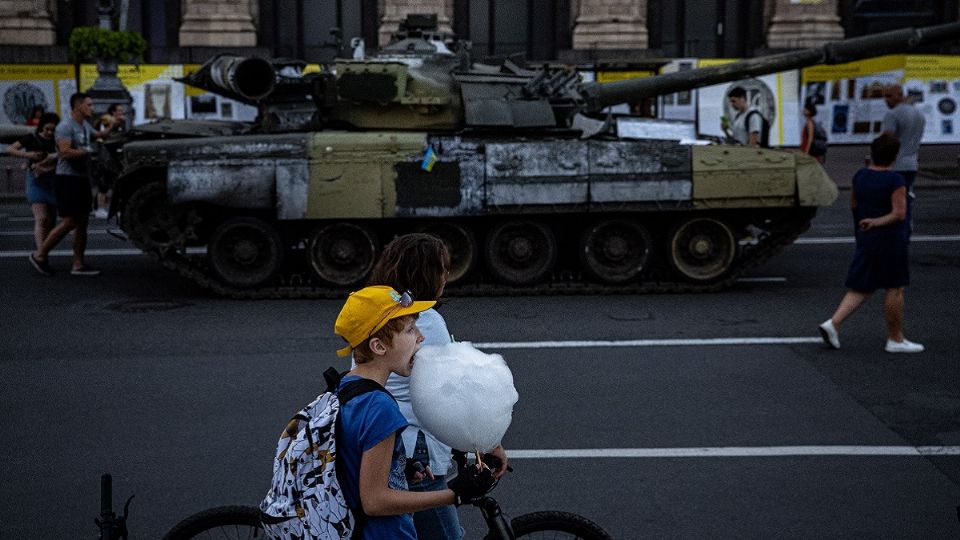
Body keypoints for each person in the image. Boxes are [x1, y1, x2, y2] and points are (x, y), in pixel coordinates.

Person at [366, 233, 508, 540]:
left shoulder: (380, 312)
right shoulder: (423, 320)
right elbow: (453, 388)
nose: (446, 276)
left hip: (388, 437)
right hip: (415, 447)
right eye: (442, 268)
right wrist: (489, 443)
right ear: (427, 274)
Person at [333, 285, 497, 539]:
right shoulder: (380, 407)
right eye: (410, 330)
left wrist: (399, 466)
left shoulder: (346, 386)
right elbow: (375, 501)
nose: (420, 337)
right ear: (378, 346)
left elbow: (353, 458)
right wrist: (456, 492)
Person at [818, 133, 923, 354]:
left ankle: (833, 323)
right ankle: (895, 338)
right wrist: (875, 222)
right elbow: (899, 214)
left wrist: (862, 228)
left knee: (863, 286)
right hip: (890, 240)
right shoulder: (896, 181)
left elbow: (854, 205)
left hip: (866, 239)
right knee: (895, 287)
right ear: (894, 158)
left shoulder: (860, 176)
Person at [28, 92, 100, 277]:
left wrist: (113, 126)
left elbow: (99, 136)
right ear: (78, 106)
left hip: (82, 177)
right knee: (70, 221)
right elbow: (65, 152)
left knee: (82, 222)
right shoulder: (65, 127)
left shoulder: (84, 125)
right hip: (68, 179)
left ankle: (78, 264)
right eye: (89, 105)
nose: (92, 108)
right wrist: (87, 151)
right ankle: (40, 255)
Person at [7, 112, 60, 251]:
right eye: (47, 129)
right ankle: (41, 253)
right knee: (41, 219)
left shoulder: (58, 139)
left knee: (51, 221)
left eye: (53, 130)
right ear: (41, 126)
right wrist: (27, 154)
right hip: (36, 180)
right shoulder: (31, 137)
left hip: (53, 180)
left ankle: (44, 248)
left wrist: (52, 158)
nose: (49, 132)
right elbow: (10, 148)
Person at [881, 84, 925, 194]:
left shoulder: (892, 114)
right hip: (912, 165)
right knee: (906, 199)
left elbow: (887, 141)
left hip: (895, 166)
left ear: (900, 95)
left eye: (889, 96)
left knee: (893, 203)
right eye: (885, 96)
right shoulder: (919, 114)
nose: (886, 100)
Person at [91, 104, 126, 218]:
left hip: (115, 156)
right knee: (104, 183)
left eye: (122, 111)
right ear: (113, 112)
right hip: (106, 156)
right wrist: (113, 124)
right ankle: (99, 208)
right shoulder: (106, 120)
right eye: (119, 110)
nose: (121, 113)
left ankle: (114, 208)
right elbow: (103, 135)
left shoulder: (120, 122)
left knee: (116, 183)